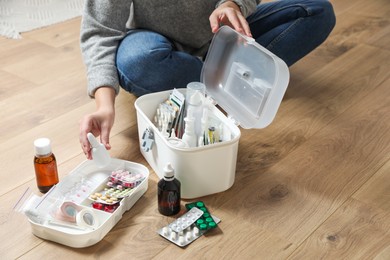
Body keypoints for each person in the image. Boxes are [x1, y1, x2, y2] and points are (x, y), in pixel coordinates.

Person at [79, 0, 335, 158]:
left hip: (223, 31)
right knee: (137, 62)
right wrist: (104, 105)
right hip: (156, 42)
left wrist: (232, 4)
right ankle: (228, 77)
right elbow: (100, 31)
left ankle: (213, 75)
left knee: (318, 12)